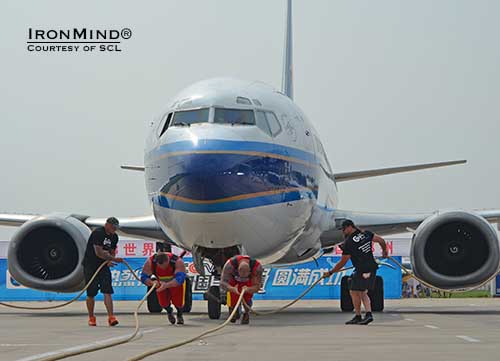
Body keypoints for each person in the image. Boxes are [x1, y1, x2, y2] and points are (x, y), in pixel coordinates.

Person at [324, 219, 388, 325]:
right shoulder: (365, 234)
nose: (343, 232)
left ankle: (364, 315)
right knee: (361, 292)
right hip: (371, 267)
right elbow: (381, 240)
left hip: (362, 269)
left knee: (355, 292)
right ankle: (363, 315)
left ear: (350, 227)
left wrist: (330, 272)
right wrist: (384, 251)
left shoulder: (349, 243)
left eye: (344, 229)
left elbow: (342, 262)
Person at [82, 217, 123, 327]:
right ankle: (91, 317)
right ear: (107, 225)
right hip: (91, 265)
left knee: (107, 291)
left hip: (103, 266)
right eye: (113, 227)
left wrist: (110, 259)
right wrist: (113, 259)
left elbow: (112, 251)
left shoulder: (114, 237)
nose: (114, 230)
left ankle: (111, 317)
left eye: (116, 228)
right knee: (91, 293)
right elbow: (98, 253)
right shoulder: (98, 233)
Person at [140, 251, 187, 324]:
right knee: (163, 303)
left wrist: (167, 285)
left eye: (164, 266)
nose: (163, 268)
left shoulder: (177, 261)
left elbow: (180, 279)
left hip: (175, 283)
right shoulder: (151, 262)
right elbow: (143, 277)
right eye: (160, 266)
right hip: (160, 284)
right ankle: (169, 311)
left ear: (168, 261)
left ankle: (179, 314)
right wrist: (151, 282)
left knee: (179, 302)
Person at [220, 255, 264, 325]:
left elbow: (257, 287)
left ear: (250, 271)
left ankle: (246, 313)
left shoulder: (257, 268)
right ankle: (232, 309)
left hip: (248, 283)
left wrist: (249, 289)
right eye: (241, 275)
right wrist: (232, 289)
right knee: (233, 296)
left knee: (247, 298)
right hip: (234, 281)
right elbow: (222, 283)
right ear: (238, 270)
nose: (242, 278)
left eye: (245, 275)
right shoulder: (230, 265)